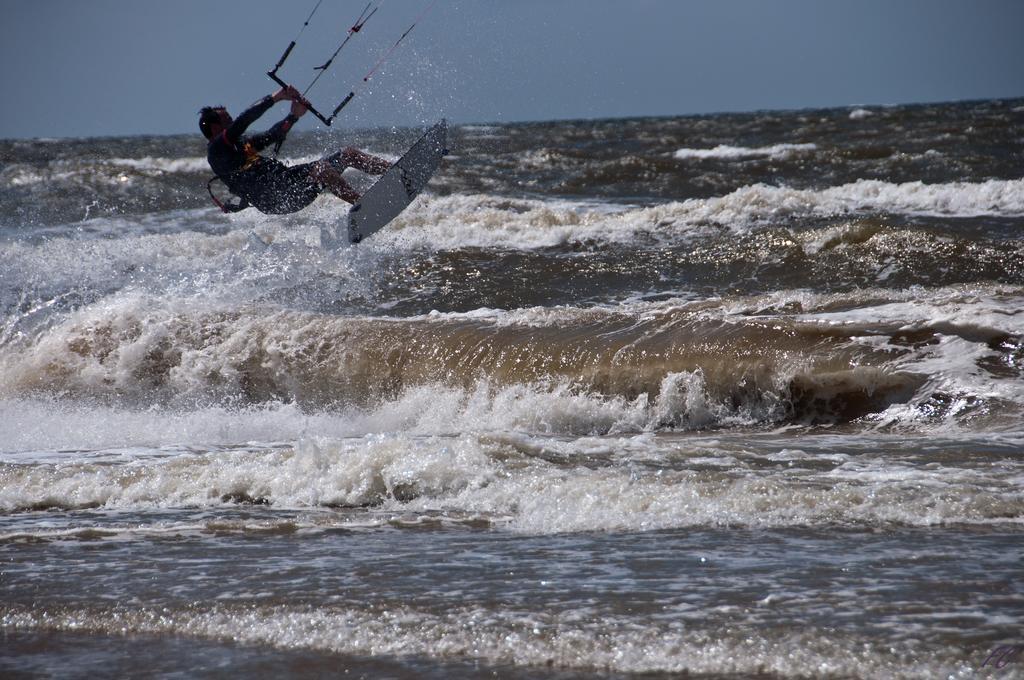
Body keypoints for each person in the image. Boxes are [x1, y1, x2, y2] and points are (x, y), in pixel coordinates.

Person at [199, 86, 390, 214]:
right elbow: (244, 120)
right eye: (227, 120)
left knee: (348, 154)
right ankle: (366, 209)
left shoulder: (240, 144)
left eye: (231, 119)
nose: (232, 122)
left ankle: (397, 171)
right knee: (323, 170)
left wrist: (293, 116)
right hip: (278, 198)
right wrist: (275, 98)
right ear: (215, 128)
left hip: (289, 180)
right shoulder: (217, 151)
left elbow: (272, 136)